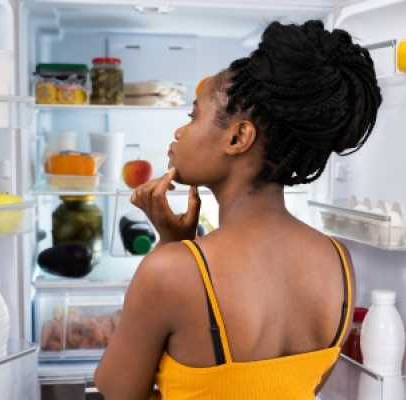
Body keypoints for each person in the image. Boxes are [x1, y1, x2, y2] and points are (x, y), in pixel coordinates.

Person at [95, 20, 381, 400]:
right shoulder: (339, 262)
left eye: (193, 117)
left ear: (237, 137)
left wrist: (170, 248)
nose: (180, 133)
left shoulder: (172, 272)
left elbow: (116, 390)